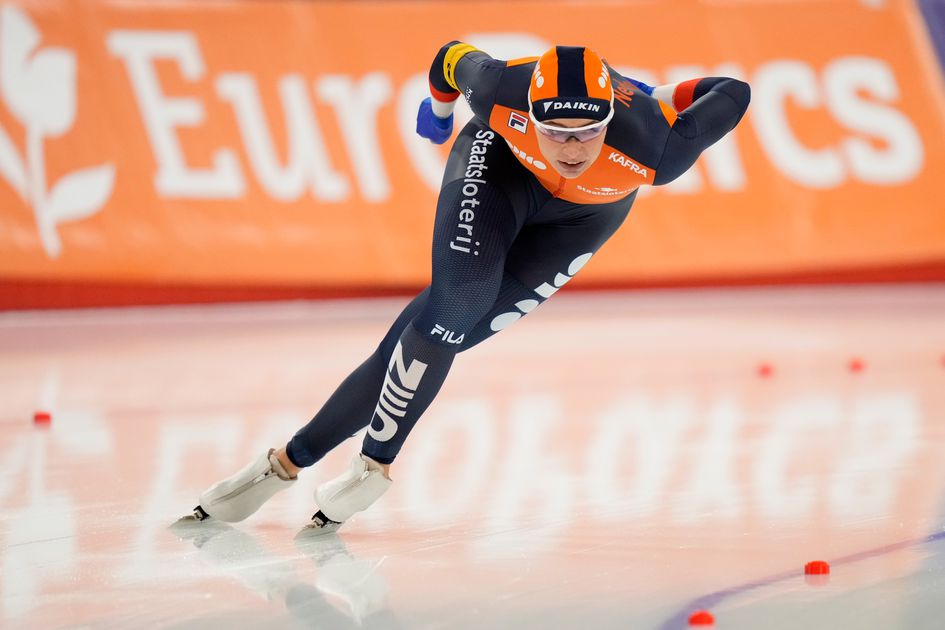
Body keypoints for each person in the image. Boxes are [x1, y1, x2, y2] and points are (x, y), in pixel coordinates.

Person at [184, 42, 751, 533]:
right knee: (452, 311)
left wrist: (660, 93)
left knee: (433, 336)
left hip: (582, 220)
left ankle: (286, 462)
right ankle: (372, 467)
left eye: (589, 133)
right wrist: (439, 110)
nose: (574, 150)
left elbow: (735, 89)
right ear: (531, 112)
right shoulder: (501, 85)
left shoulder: (659, 148)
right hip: (497, 172)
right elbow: (450, 56)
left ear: (609, 119)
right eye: (556, 133)